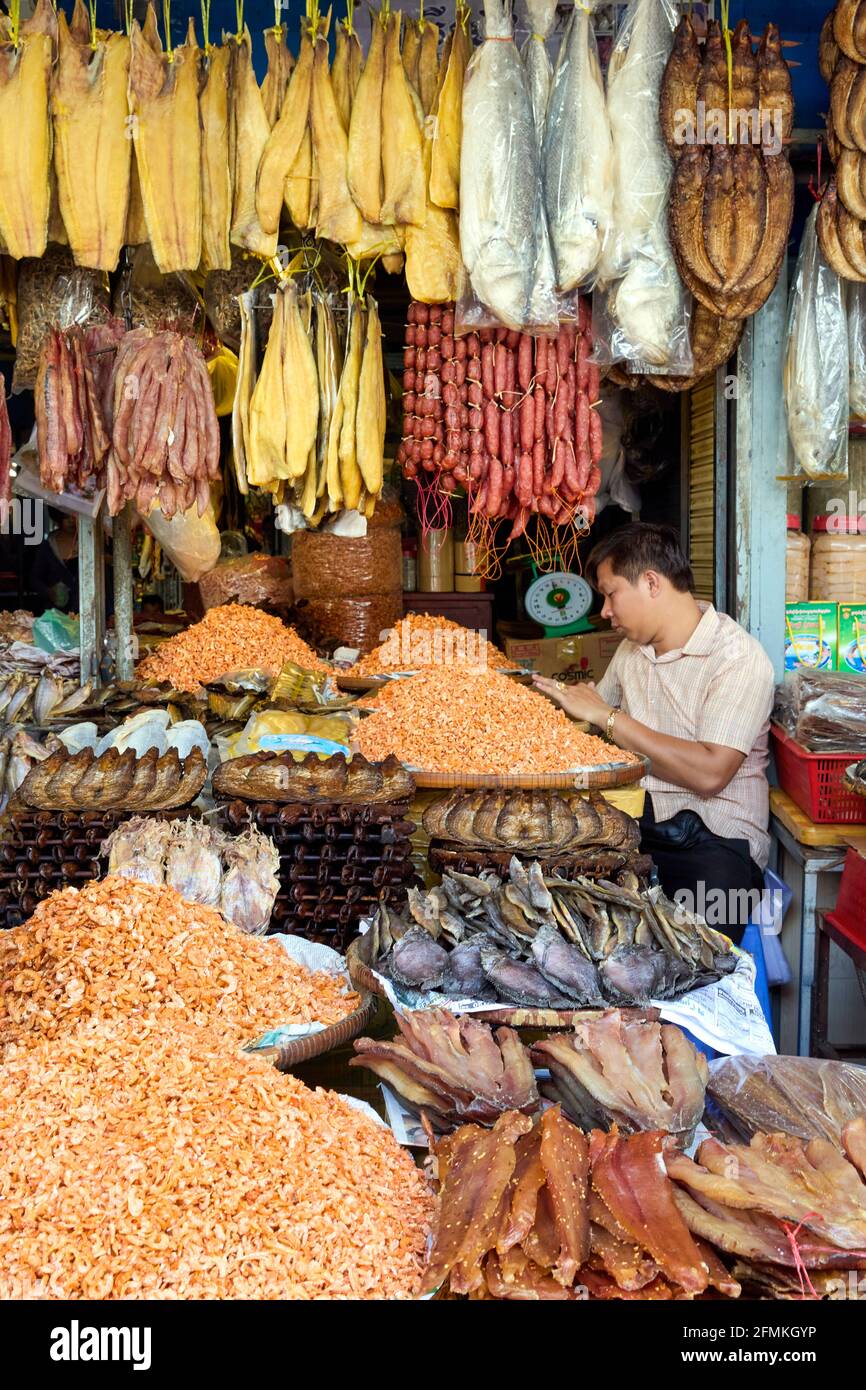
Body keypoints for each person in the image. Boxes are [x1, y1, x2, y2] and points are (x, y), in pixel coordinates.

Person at [532, 523, 775, 944]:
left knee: (693, 959)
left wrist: (610, 718)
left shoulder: (738, 658)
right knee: (561, 926)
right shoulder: (632, 650)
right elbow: (587, 724)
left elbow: (709, 773)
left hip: (715, 844)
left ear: (650, 583)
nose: (605, 611)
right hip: (638, 830)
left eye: (610, 593)